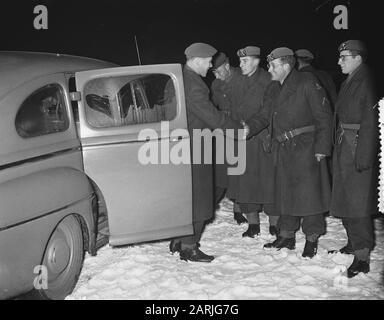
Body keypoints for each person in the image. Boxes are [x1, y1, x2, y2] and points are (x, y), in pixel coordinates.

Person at [247, 47, 333, 258]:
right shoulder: (274, 88)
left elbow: (324, 116)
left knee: (309, 196)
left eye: (273, 65)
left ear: (286, 65)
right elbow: (264, 116)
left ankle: (311, 239)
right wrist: (248, 128)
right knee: (284, 193)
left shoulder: (307, 82)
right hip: (282, 148)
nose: (269, 69)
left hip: (306, 147)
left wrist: (322, 148)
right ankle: (286, 235)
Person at [169, 42, 247, 263]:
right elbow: (211, 116)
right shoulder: (194, 84)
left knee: (186, 198)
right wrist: (238, 128)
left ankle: (178, 239)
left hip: (182, 148)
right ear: (196, 60)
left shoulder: (177, 78)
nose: (211, 65)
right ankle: (189, 247)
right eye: (208, 61)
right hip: (196, 150)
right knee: (200, 199)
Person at [328, 40, 379, 278]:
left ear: (358, 57)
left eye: (344, 57)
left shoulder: (366, 81)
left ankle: (362, 257)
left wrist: (364, 157)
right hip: (346, 148)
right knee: (347, 198)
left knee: (358, 205)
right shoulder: (353, 79)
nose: (339, 61)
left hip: (357, 150)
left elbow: (370, 124)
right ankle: (352, 242)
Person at [226, 46, 278, 237]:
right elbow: (230, 108)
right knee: (245, 183)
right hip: (241, 140)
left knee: (269, 182)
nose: (241, 65)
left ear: (257, 60)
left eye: (245, 61)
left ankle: (274, 223)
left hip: (262, 139)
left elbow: (268, 112)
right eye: (240, 61)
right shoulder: (236, 81)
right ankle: (253, 223)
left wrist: (251, 128)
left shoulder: (269, 80)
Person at [210, 52, 247, 224]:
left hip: (241, 131)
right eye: (213, 72)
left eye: (217, 71)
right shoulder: (216, 84)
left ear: (226, 66)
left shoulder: (244, 78)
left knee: (239, 172)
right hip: (222, 132)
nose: (215, 75)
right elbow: (212, 107)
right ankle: (209, 207)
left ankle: (238, 209)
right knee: (220, 171)